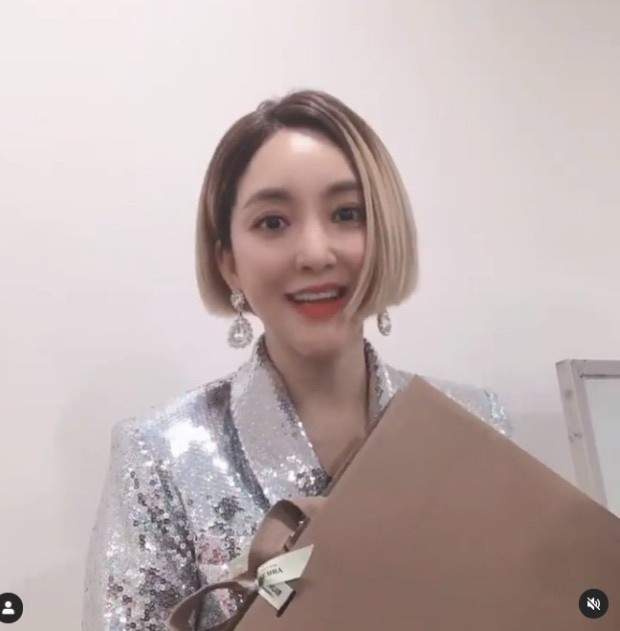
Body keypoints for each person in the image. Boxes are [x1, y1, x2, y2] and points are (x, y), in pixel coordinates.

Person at [82, 89, 512, 630]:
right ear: (228, 262)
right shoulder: (159, 456)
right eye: (272, 222)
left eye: (347, 214)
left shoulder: (474, 424)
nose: (314, 253)